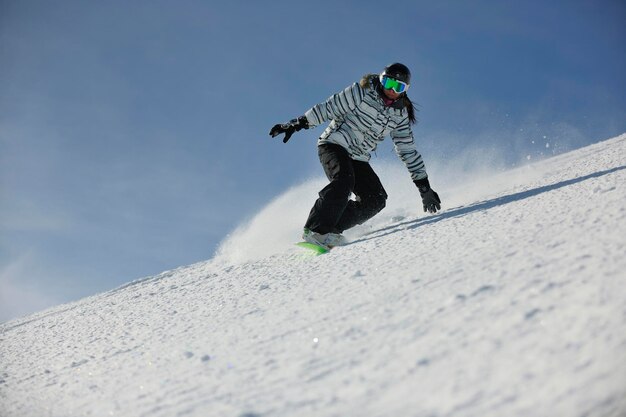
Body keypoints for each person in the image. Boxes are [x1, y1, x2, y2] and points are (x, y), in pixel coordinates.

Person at [269, 63, 441, 249]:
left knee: (376, 199)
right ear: (381, 80)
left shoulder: (399, 115)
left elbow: (407, 150)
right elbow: (329, 108)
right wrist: (297, 123)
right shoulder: (362, 92)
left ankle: (332, 229)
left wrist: (424, 187)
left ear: (405, 90)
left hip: (358, 156)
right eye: (388, 82)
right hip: (334, 144)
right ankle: (315, 230)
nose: (391, 90)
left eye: (398, 87)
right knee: (344, 180)